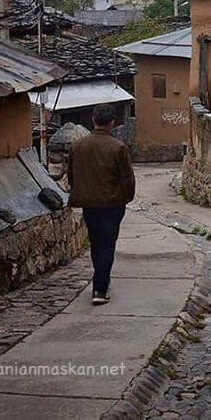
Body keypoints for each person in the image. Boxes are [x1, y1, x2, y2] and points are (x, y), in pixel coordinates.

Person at [68, 104, 135, 305]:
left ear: (93, 120)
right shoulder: (118, 147)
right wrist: (126, 198)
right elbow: (127, 178)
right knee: (107, 244)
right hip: (112, 202)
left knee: (96, 243)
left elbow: (72, 175)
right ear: (112, 123)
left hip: (89, 202)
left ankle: (100, 278)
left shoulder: (77, 146)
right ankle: (100, 288)